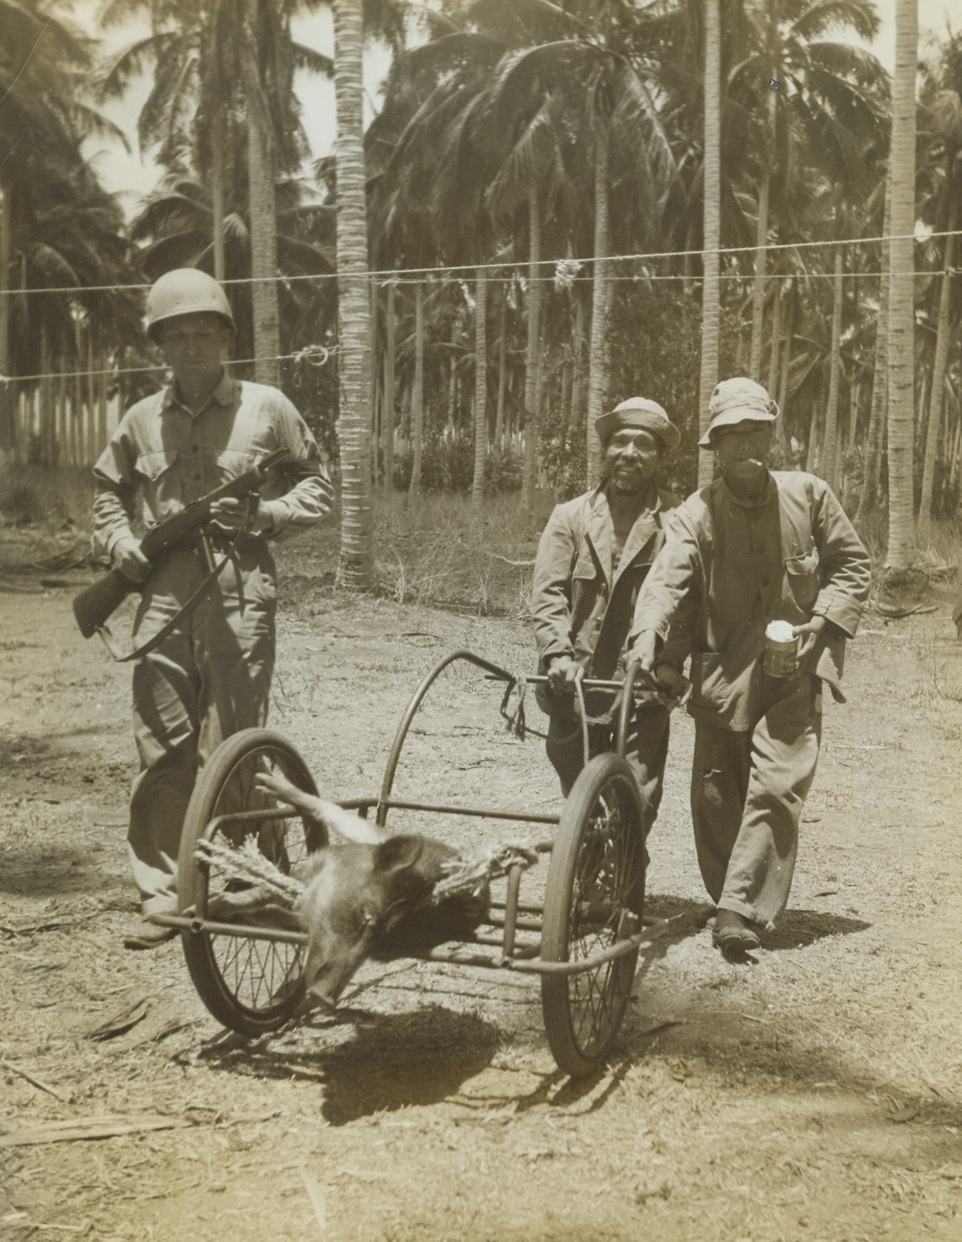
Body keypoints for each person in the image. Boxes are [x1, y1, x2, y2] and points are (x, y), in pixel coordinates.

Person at [91, 268, 333, 949]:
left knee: (237, 740)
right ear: (159, 347)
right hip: (163, 594)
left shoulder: (268, 408)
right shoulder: (140, 420)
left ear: (227, 338)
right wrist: (119, 545)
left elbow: (320, 488)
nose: (192, 347)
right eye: (177, 336)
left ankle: (246, 875)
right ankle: (164, 894)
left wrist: (265, 514)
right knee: (161, 744)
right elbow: (106, 493)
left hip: (239, 586)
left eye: (205, 333)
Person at [630, 377, 871, 953]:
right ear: (715, 445)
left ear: (772, 435)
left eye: (755, 432)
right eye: (732, 435)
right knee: (716, 793)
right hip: (723, 673)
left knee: (778, 785)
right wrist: (647, 637)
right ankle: (729, 896)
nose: (745, 446)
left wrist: (828, 619)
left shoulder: (808, 494)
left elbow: (853, 565)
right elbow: (669, 579)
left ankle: (738, 910)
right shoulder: (695, 513)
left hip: (795, 669)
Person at [531, 397, 683, 821]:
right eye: (620, 442)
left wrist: (670, 661)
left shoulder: (679, 520)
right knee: (581, 799)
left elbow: (686, 601)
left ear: (659, 457)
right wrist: (557, 654)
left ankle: (619, 874)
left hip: (643, 688)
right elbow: (548, 596)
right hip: (572, 686)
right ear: (606, 451)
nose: (629, 453)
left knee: (635, 800)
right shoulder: (569, 517)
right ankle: (592, 871)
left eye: (643, 444)